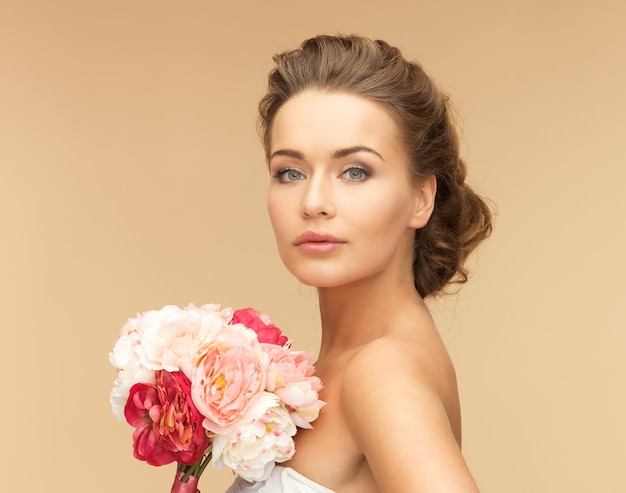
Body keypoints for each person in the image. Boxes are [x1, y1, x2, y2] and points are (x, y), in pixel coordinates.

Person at [228, 34, 492, 493]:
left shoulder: (382, 372)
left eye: (355, 171)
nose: (313, 202)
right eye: (290, 172)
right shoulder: (335, 369)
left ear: (420, 198)